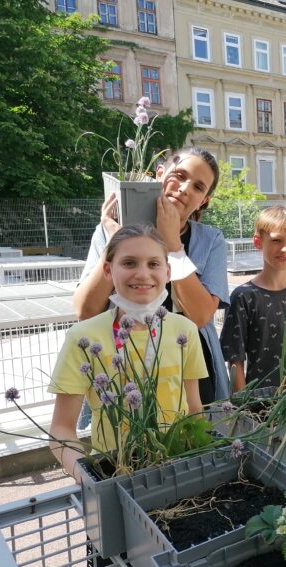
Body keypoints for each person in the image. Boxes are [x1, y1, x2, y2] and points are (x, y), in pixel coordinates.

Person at [48, 224, 206, 567]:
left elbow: (195, 411)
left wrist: (202, 463)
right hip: (114, 484)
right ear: (108, 270)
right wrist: (91, 481)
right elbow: (61, 429)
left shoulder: (184, 331)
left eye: (153, 264)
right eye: (129, 263)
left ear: (168, 271)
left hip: (177, 479)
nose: (143, 274)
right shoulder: (84, 337)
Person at [73, 146, 229, 405]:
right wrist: (115, 243)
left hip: (189, 363)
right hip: (122, 360)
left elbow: (201, 316)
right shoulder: (111, 229)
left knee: (194, 428)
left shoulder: (211, 241)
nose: (185, 188)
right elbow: (85, 311)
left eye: (198, 187)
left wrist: (174, 245)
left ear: (203, 201)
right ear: (159, 174)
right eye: (179, 175)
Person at [220, 206, 286, 391]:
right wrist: (243, 403)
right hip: (263, 402)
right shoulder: (243, 297)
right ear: (258, 241)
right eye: (276, 240)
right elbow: (235, 360)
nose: (285, 248)